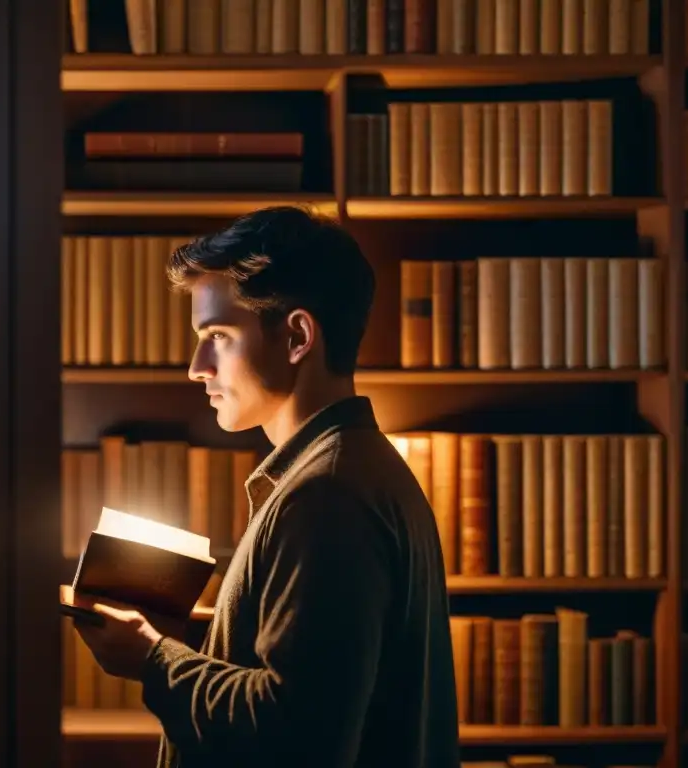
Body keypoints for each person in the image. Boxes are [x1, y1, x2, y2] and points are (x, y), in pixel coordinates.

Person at [72, 205, 460, 768]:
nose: (197, 367)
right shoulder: (347, 470)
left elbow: (298, 732)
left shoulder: (327, 496)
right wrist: (191, 642)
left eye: (219, 336)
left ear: (298, 335)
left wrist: (153, 659)